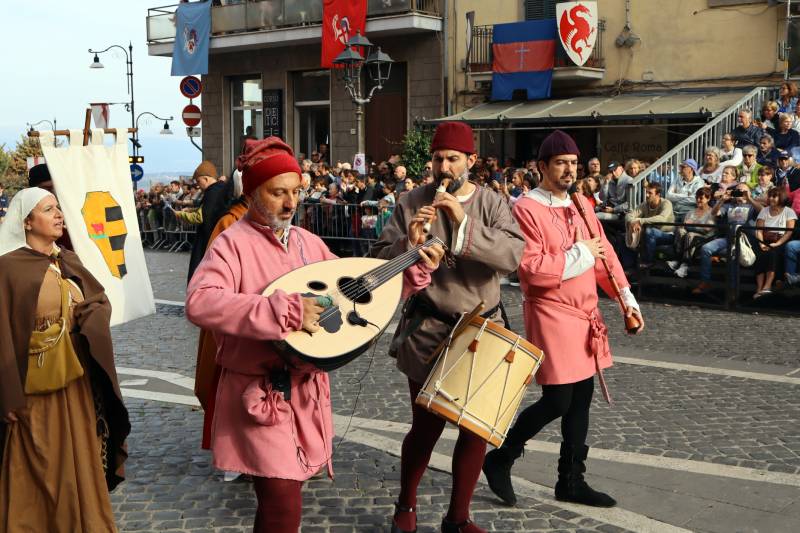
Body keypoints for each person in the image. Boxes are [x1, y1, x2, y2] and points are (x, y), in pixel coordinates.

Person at [185, 137, 443, 532]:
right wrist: (278, 309)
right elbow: (200, 302)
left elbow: (357, 292)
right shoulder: (231, 243)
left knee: (277, 504)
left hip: (305, 391)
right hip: (262, 394)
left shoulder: (308, 242)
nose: (290, 203)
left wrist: (412, 265)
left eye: (296, 192)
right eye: (277, 193)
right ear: (253, 192)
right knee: (283, 501)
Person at [370, 121, 525, 533]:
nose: (444, 167)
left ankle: (458, 517)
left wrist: (463, 222)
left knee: (474, 431)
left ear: (470, 162)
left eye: (453, 159)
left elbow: (513, 255)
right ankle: (405, 505)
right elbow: (380, 258)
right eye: (438, 158)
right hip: (429, 328)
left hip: (481, 331)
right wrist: (410, 244)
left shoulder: (492, 202)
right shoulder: (410, 200)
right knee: (426, 427)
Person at [482, 130, 644, 510]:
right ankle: (501, 456)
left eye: (573, 163)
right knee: (558, 398)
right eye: (561, 163)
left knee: (582, 397)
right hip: (550, 312)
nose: (570, 170)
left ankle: (571, 480)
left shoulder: (583, 204)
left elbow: (606, 259)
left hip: (585, 313)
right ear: (542, 167)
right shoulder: (525, 209)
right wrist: (580, 254)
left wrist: (627, 302)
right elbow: (531, 269)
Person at [0, 187, 130, 532]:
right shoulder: (9, 268)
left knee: (82, 457)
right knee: (42, 461)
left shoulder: (67, 260)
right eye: (48, 209)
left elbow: (98, 298)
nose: (58, 214)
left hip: (78, 379)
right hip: (37, 387)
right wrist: (8, 393)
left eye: (58, 207)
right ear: (27, 221)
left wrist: (89, 314)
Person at [693, 183, 758, 294]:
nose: (739, 193)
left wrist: (749, 199)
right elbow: (714, 213)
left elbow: (763, 211)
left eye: (742, 191)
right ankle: (705, 282)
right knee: (706, 248)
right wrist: (722, 200)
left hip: (743, 240)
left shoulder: (752, 206)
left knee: (733, 254)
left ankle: (732, 291)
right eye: (737, 190)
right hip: (728, 238)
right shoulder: (729, 205)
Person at [187, 160, 230, 283]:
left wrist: (184, 215)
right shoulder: (220, 190)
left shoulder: (213, 192)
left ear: (205, 179)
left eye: (198, 181)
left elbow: (206, 217)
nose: (197, 185)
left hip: (208, 239)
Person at [753, 187, 797, 297]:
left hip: (780, 241)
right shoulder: (764, 210)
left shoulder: (789, 212)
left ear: (781, 198)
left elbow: (788, 232)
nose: (771, 198)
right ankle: (759, 288)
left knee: (772, 253)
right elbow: (759, 230)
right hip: (764, 239)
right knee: (760, 255)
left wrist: (777, 244)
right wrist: (761, 243)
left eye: (774, 196)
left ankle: (767, 286)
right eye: (770, 196)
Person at [667, 187, 716, 278]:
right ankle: (678, 259)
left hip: (705, 238)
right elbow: (684, 226)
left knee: (690, 235)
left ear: (708, 199)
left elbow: (707, 229)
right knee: (680, 231)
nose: (698, 200)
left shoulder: (712, 212)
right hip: (690, 237)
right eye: (697, 197)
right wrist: (683, 226)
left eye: (701, 198)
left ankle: (686, 264)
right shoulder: (690, 212)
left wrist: (692, 224)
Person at [625, 183, 675, 267]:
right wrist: (632, 222)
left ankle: (648, 261)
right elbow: (629, 215)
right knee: (622, 237)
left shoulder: (666, 203)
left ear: (658, 194)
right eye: (646, 192)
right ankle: (629, 267)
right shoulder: (645, 204)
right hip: (648, 234)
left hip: (667, 235)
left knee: (649, 232)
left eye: (650, 193)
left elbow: (662, 218)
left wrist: (640, 221)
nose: (647, 195)